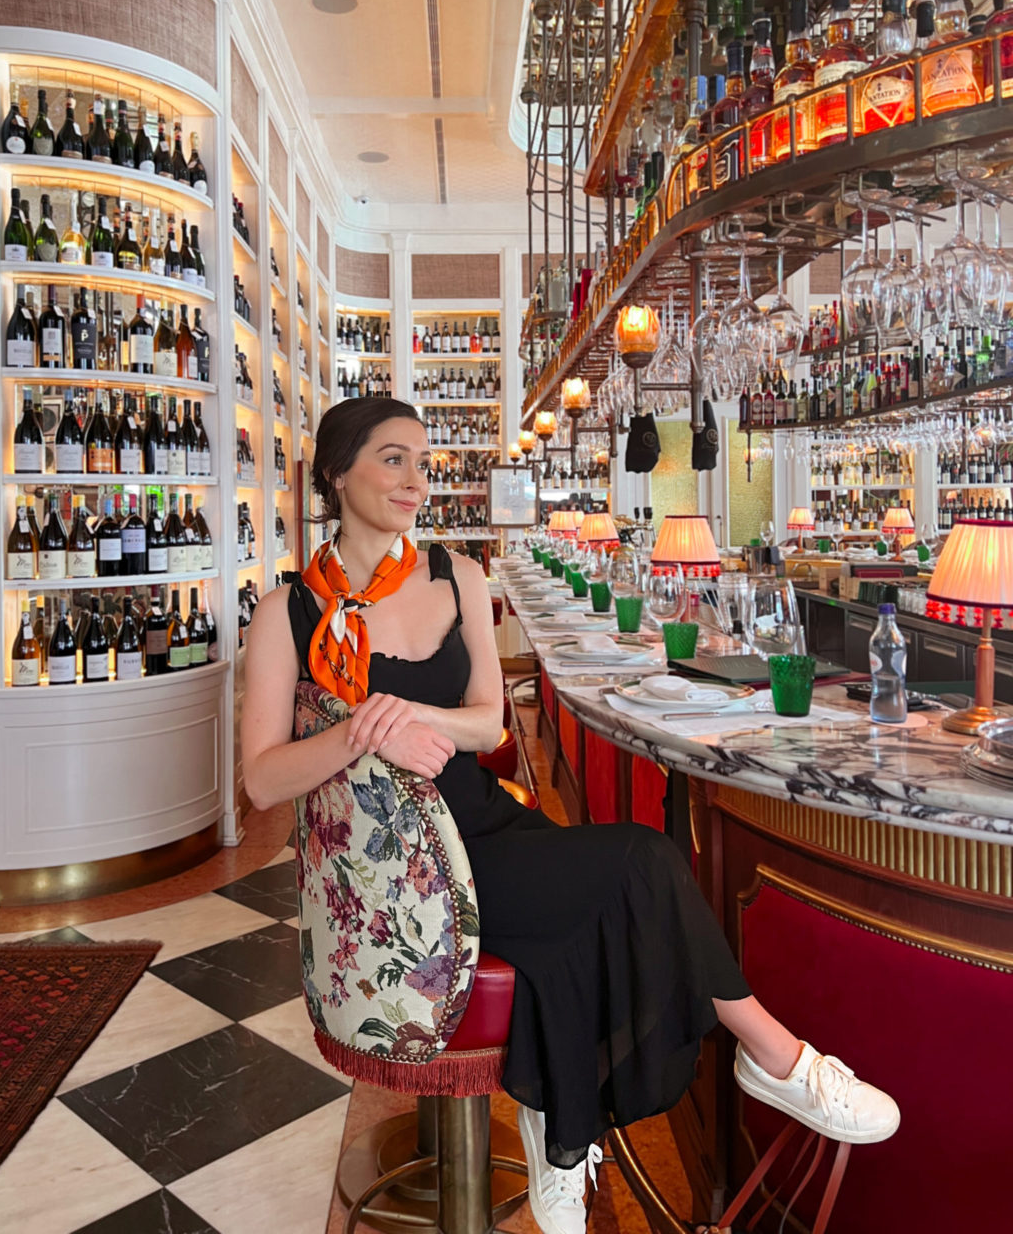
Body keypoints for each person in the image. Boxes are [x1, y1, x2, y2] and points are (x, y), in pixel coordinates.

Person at [241, 399, 899, 1234]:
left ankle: (561, 1127)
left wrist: (409, 719)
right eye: (394, 459)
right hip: (397, 876)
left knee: (579, 919)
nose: (418, 481)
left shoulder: (458, 576)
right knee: (641, 863)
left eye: (424, 462)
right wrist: (355, 734)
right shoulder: (287, 613)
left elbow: (488, 723)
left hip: (483, 824)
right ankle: (776, 1058)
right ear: (337, 472)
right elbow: (262, 782)